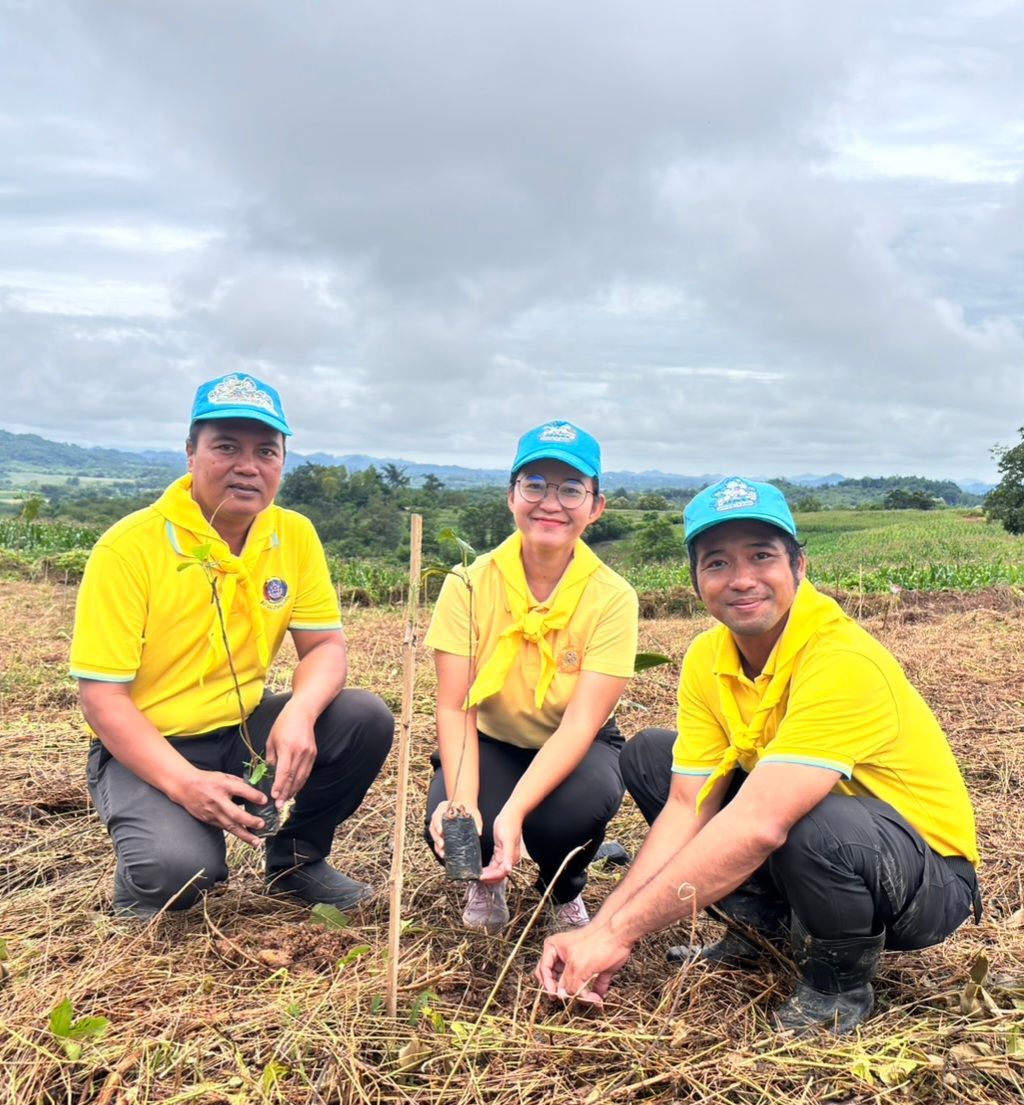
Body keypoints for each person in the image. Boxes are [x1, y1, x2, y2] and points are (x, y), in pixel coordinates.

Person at [536, 477, 980, 1032]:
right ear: (696, 580)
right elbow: (685, 807)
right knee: (653, 756)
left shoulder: (841, 658)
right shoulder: (707, 656)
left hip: (923, 882)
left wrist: (616, 934)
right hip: (815, 838)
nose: (741, 579)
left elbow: (762, 824)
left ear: (799, 564)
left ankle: (837, 985)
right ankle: (758, 925)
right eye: (717, 562)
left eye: (762, 556)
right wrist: (601, 925)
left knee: (811, 820)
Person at [70, 372, 394, 917]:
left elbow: (324, 648)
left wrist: (301, 713)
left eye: (266, 450)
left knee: (363, 716)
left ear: (281, 463)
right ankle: (146, 877)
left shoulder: (292, 535)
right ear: (190, 453)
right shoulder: (129, 549)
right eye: (226, 446)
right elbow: (103, 699)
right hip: (149, 743)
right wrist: (185, 783)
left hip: (242, 731)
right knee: (178, 871)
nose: (248, 465)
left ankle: (296, 863)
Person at [423, 420, 639, 933]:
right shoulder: (468, 585)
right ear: (512, 495)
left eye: (570, 489)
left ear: (595, 506)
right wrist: (464, 804)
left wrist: (513, 812)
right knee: (460, 828)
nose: (550, 502)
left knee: (571, 814)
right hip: (491, 737)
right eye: (535, 485)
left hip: (574, 741)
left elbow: (581, 723)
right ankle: (485, 878)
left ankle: (563, 888)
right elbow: (457, 707)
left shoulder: (613, 597)